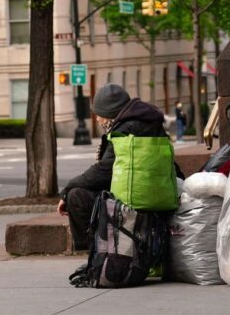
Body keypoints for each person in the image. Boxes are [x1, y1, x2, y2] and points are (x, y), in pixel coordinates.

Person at [57, 83, 170, 252]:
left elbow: (104, 171)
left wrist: (68, 189)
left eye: (99, 114)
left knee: (76, 197)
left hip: (131, 197)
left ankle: (93, 254)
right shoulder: (150, 122)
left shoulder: (123, 130)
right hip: (159, 193)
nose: (97, 119)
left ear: (109, 113)